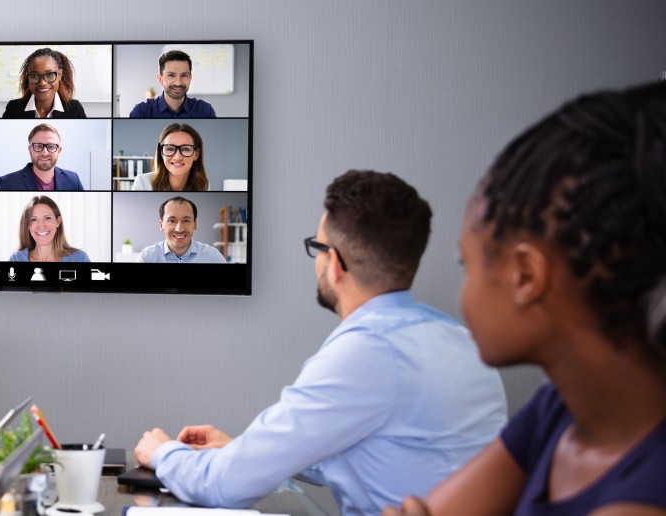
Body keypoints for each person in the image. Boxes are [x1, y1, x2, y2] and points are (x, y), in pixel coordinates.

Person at [134, 170, 508, 516]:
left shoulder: (367, 351)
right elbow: (383, 452)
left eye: (317, 247)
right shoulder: (461, 342)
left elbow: (222, 487)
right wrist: (243, 450)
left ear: (336, 264)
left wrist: (163, 452)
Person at [383, 83, 666, 515]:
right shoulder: (558, 412)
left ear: (526, 275)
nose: (463, 289)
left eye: (467, 265)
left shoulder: (646, 494)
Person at [129, 50, 217, 118]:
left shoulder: (205, 110)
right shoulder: (142, 112)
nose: (178, 83)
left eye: (184, 75)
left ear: (190, 78)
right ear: (160, 79)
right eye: (171, 75)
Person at [3, 48, 87, 119]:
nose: (42, 83)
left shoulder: (74, 109)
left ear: (59, 75)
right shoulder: (13, 108)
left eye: (50, 75)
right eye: (34, 76)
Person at [0, 123, 85, 191]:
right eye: (38, 146)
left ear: (59, 150)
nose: (45, 153)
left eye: (51, 146)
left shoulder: (73, 179)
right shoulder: (6, 183)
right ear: (30, 150)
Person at [138, 196, 226, 263]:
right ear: (161, 225)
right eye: (172, 221)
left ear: (195, 225)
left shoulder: (213, 257)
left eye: (186, 221)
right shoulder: (147, 257)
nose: (179, 229)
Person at [8, 195, 90, 262]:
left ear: (58, 221)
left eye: (47, 218)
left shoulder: (79, 258)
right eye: (34, 219)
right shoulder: (16, 259)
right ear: (27, 225)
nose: (41, 226)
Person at [131, 123, 210, 191]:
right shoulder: (142, 183)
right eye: (170, 149)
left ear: (196, 154)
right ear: (161, 152)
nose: (177, 157)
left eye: (185, 149)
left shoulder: (205, 186)